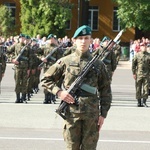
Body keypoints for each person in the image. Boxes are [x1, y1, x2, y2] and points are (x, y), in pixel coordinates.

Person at [41, 25, 112, 150]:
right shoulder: (65, 61)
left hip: (92, 115)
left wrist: (103, 114)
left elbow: (105, 90)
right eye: (80, 38)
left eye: (86, 38)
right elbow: (46, 79)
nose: (83, 41)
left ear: (91, 40)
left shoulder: (99, 65)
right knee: (71, 147)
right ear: (74, 40)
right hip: (71, 114)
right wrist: (59, 92)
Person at [7, 34, 33, 103]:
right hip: (17, 67)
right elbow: (8, 52)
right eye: (21, 38)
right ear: (19, 39)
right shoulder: (15, 45)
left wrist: (29, 69)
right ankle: (17, 98)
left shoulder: (28, 48)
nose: (22, 39)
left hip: (25, 67)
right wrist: (12, 59)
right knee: (17, 82)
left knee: (24, 83)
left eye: (24, 38)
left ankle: (23, 97)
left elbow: (30, 59)